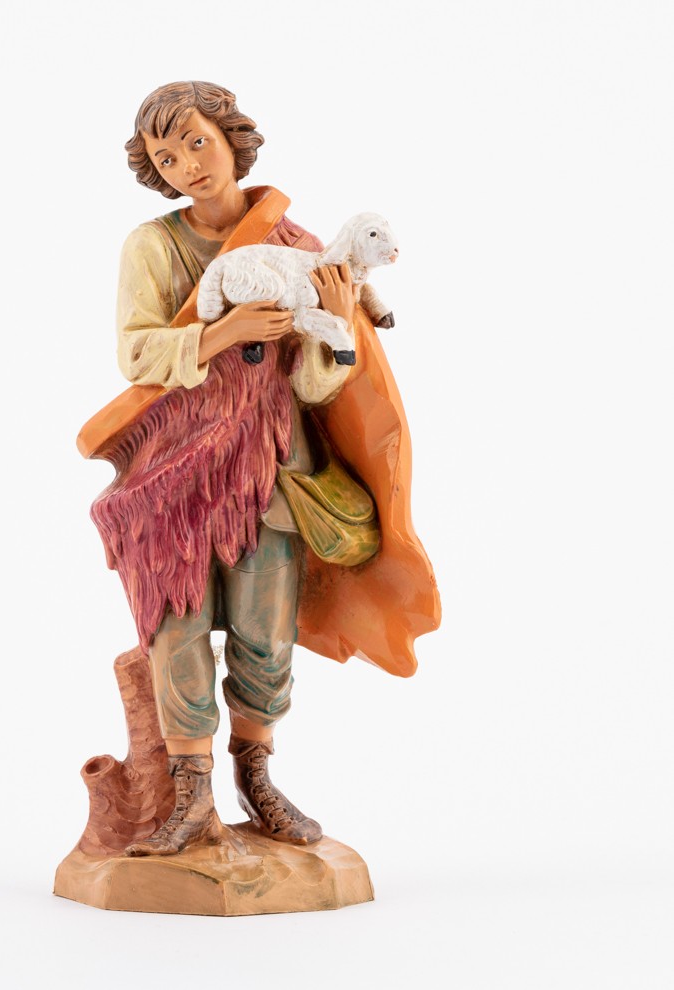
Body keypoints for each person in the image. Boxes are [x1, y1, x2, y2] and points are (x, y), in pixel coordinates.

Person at [86, 81, 440, 857]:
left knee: (264, 629)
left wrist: (337, 328)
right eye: (165, 157)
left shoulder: (298, 243)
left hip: (271, 467)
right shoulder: (153, 246)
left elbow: (314, 389)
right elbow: (137, 353)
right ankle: (189, 793)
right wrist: (223, 332)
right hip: (174, 469)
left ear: (231, 138)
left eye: (196, 142)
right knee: (176, 624)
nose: (187, 164)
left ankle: (257, 775)